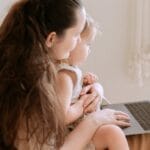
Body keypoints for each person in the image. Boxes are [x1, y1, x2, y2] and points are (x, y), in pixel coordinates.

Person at [0, 0, 130, 150]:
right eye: (76, 35)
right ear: (51, 39)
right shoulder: (28, 86)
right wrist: (95, 120)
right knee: (113, 133)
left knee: (112, 132)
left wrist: (95, 89)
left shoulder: (33, 64)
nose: (78, 42)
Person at [56, 16, 130, 149]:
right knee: (114, 134)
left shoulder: (69, 71)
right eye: (88, 44)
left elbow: (68, 96)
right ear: (72, 44)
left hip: (81, 126)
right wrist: (81, 105)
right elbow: (62, 116)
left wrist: (85, 84)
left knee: (115, 131)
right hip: (73, 132)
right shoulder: (65, 76)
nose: (90, 49)